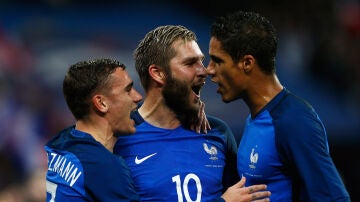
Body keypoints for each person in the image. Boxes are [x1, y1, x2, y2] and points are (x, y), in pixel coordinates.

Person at [114, 25, 271, 202]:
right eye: (190, 63)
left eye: (201, 61)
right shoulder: (118, 139)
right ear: (158, 73)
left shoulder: (217, 132)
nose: (204, 71)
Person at [206, 11, 350, 201]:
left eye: (218, 61)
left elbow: (334, 198)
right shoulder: (256, 118)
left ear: (247, 63)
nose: (209, 70)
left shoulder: (294, 120)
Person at [44, 58, 142, 201]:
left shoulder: (64, 140)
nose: (138, 96)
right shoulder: (103, 166)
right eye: (128, 90)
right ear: (101, 103)